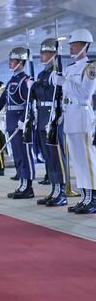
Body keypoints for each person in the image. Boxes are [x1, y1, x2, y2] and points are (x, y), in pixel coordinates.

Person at [54, 29, 96, 214]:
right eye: (70, 44)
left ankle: (93, 198)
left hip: (82, 115)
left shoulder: (91, 68)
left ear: (85, 46)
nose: (71, 47)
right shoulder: (70, 68)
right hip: (70, 116)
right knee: (78, 162)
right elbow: (66, 95)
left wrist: (64, 82)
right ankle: (84, 197)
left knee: (88, 160)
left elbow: (85, 94)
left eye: (75, 44)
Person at [0, 47, 35, 199]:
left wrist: (23, 119)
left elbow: (29, 103)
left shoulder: (25, 80)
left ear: (21, 62)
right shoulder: (13, 80)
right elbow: (3, 99)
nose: (10, 63)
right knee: (17, 155)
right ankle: (22, 183)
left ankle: (28, 186)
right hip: (11, 122)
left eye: (13, 60)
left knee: (24, 154)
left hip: (20, 124)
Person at [30, 38, 67, 207]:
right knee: (48, 157)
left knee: (57, 157)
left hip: (53, 119)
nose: (41, 56)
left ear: (53, 54)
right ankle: (54, 190)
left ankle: (61, 192)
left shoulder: (57, 73)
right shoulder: (42, 74)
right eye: (41, 52)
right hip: (42, 119)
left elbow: (57, 96)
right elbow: (37, 95)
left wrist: (36, 86)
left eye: (45, 53)